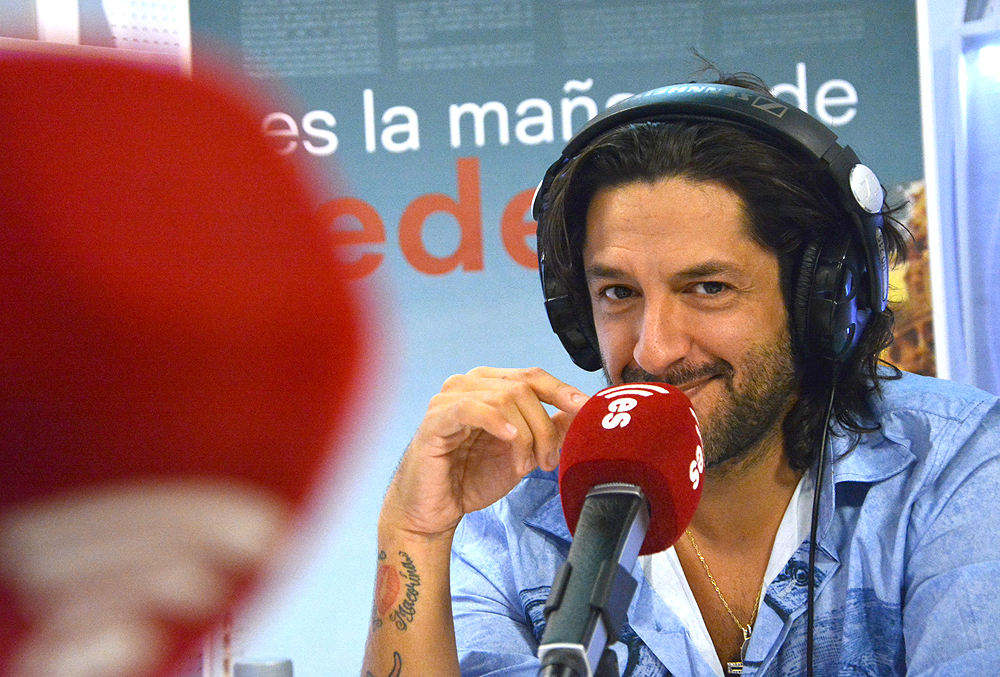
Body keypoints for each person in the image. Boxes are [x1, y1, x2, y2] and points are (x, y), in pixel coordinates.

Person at [361, 71, 1000, 677]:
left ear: (821, 302)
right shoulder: (513, 512)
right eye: (618, 293)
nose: (656, 349)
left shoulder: (952, 465)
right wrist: (414, 531)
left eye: (708, 288)